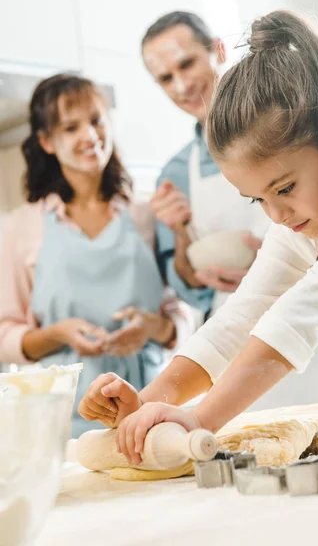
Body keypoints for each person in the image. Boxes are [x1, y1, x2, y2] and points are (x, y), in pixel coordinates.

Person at [79, 9, 318, 464]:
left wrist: (201, 419)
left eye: (285, 188)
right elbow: (240, 318)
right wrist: (149, 401)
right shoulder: (303, 219)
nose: (278, 215)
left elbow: (300, 313)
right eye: (258, 200)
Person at [0, 73, 194, 437]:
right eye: (70, 127)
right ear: (47, 141)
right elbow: (4, 334)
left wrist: (153, 327)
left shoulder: (144, 214)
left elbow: (183, 313)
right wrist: (59, 334)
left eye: (96, 121)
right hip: (59, 421)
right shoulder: (22, 226)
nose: (89, 136)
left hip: (149, 407)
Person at [142, 11, 269, 319]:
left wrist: (273, 272)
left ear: (218, 51)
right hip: (233, 333)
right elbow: (187, 288)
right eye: (166, 78)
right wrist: (180, 230)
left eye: (187, 64)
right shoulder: (175, 173)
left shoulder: (282, 124)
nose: (182, 86)